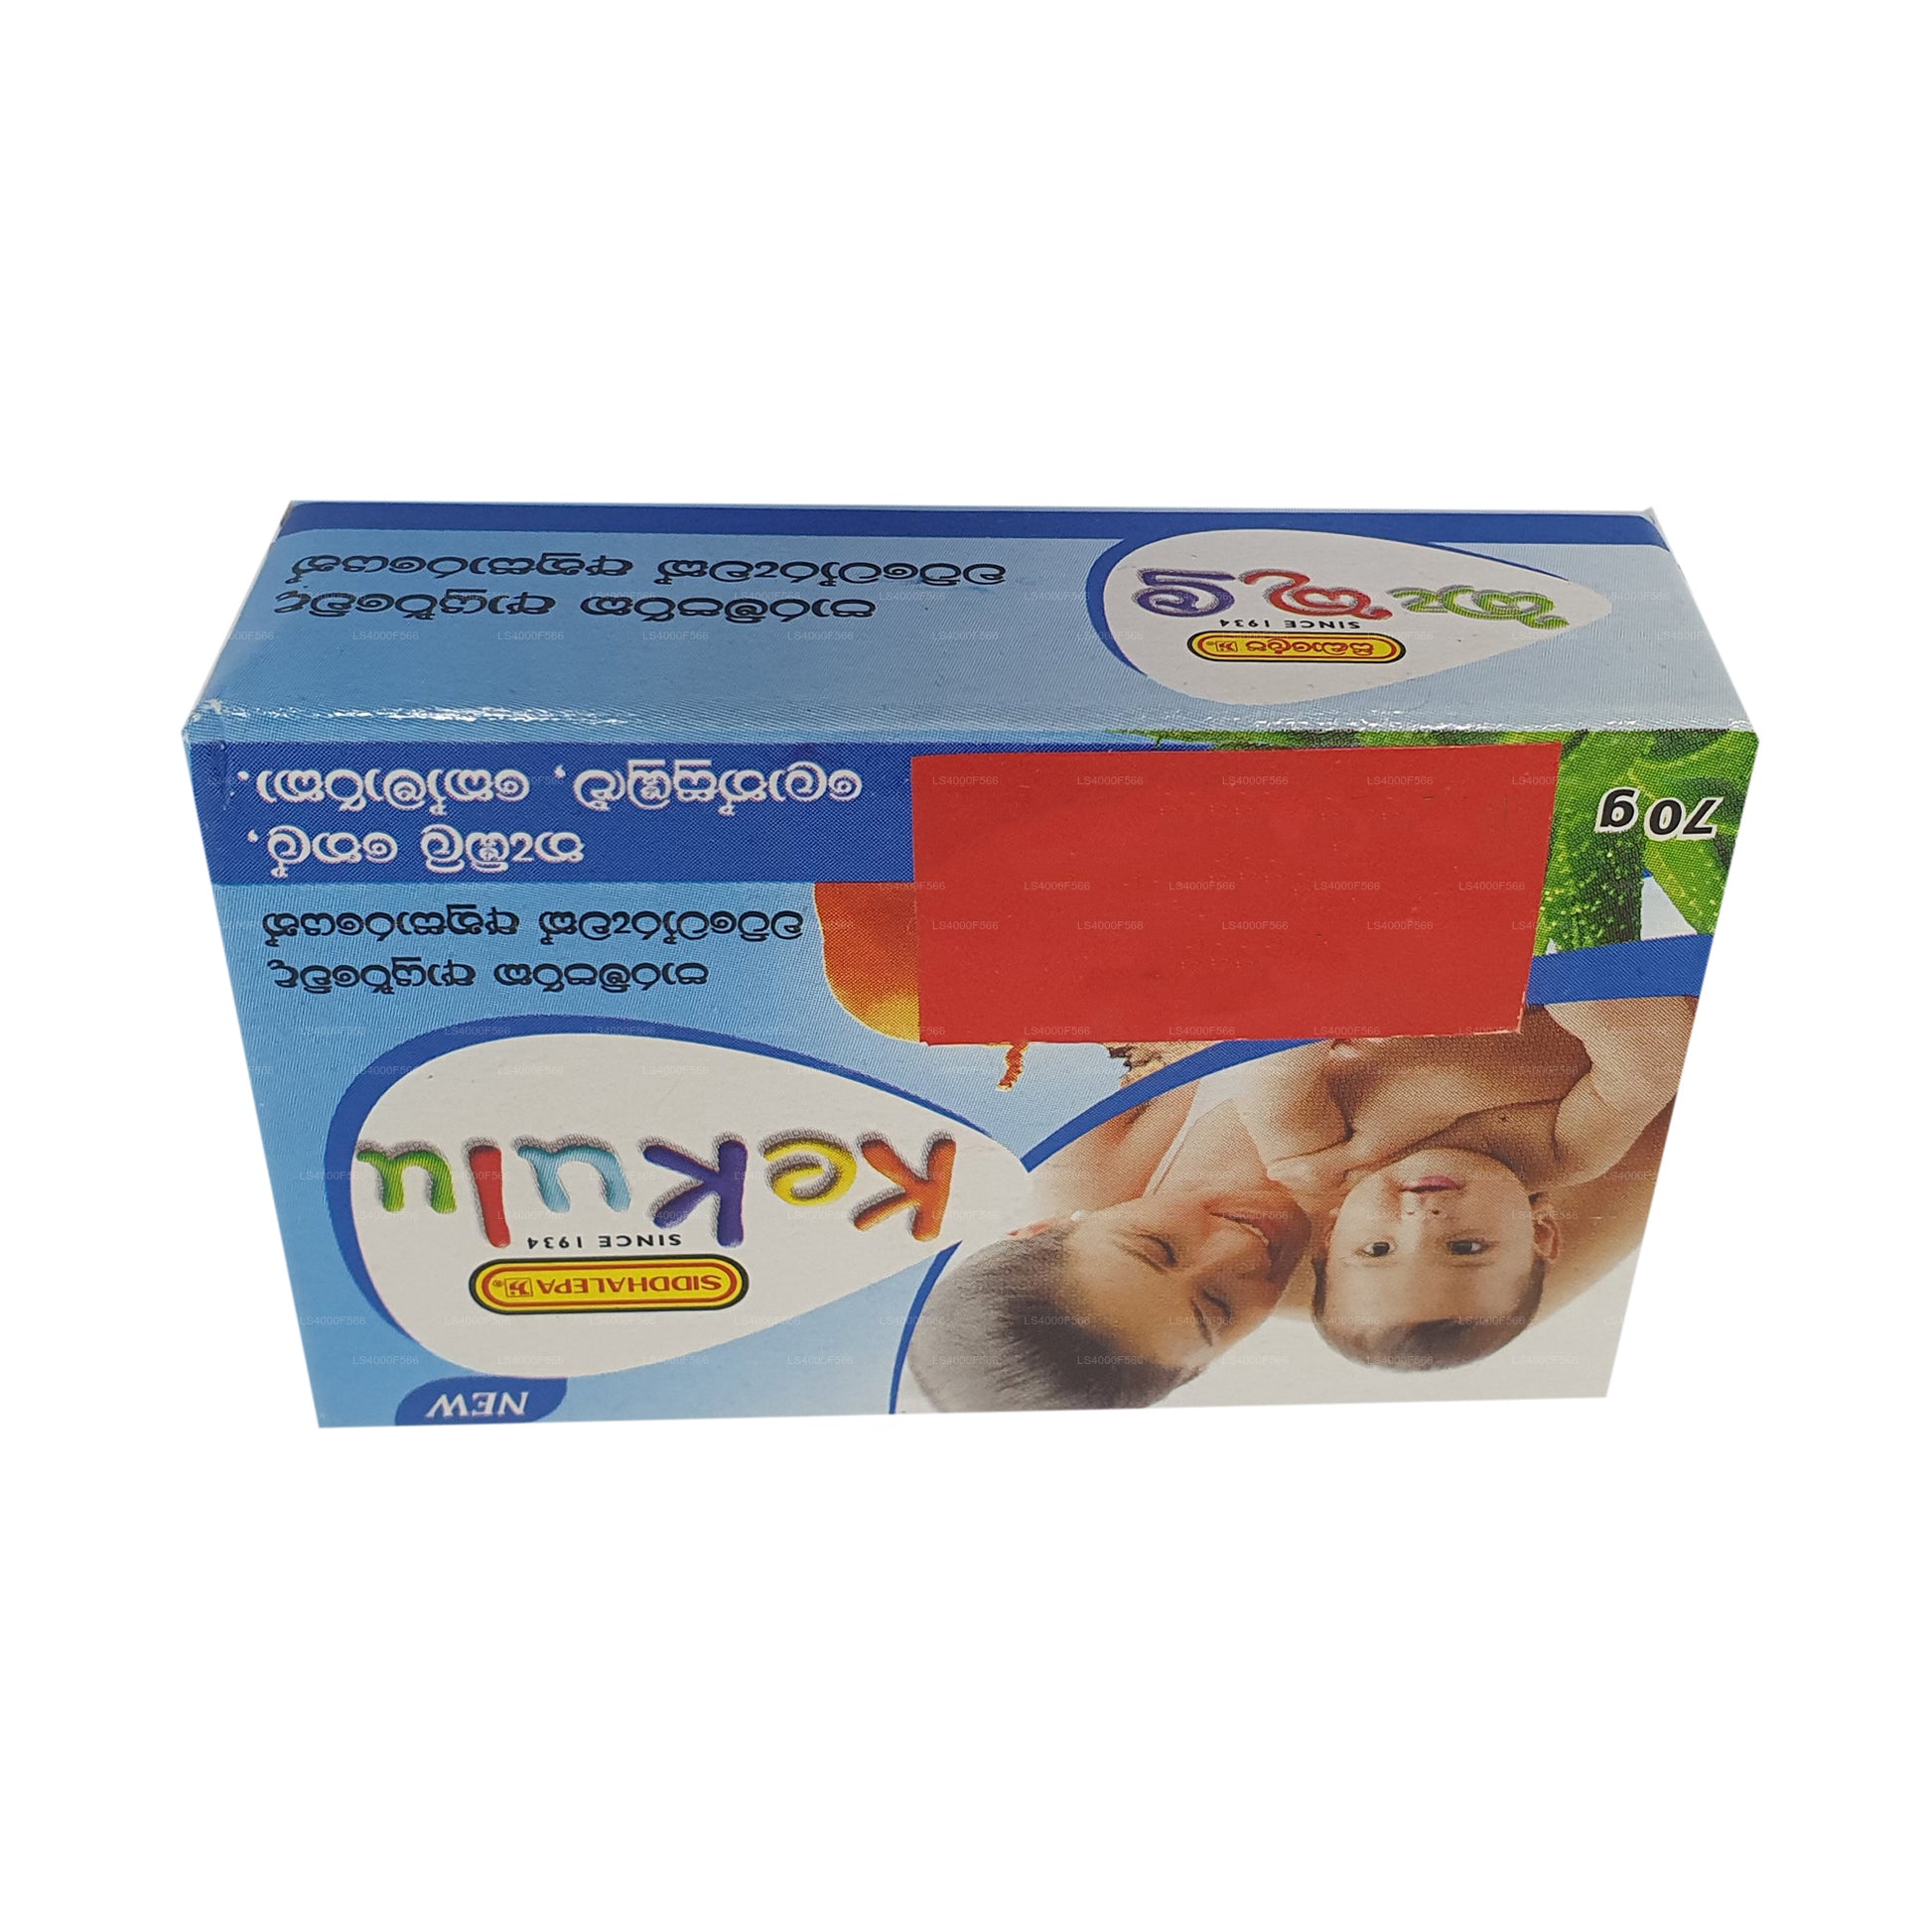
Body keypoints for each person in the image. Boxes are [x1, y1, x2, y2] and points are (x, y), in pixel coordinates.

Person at [906, 999, 1693, 1407]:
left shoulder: (1084, 1165)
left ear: (1046, 1227)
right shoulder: (1427, 1298)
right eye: (1218, 1307)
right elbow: (1669, 1081)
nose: (1240, 1248)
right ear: (1207, 1366)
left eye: (1157, 1247)